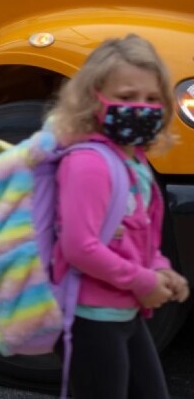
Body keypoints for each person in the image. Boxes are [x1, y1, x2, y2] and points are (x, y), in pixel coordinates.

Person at [47, 34, 189, 398]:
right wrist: (143, 281)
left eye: (152, 99)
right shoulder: (88, 164)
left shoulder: (135, 161)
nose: (141, 108)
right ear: (94, 99)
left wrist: (160, 267)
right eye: (126, 98)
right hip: (89, 318)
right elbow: (80, 247)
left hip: (123, 312)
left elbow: (137, 233)